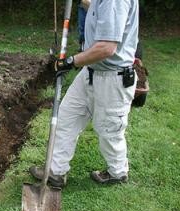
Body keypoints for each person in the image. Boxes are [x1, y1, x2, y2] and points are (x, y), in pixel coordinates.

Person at [30, 0, 139, 186]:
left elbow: (107, 47)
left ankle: (118, 172)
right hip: (90, 72)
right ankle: (55, 171)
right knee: (66, 118)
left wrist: (71, 61)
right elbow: (97, 9)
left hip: (112, 78)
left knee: (109, 130)